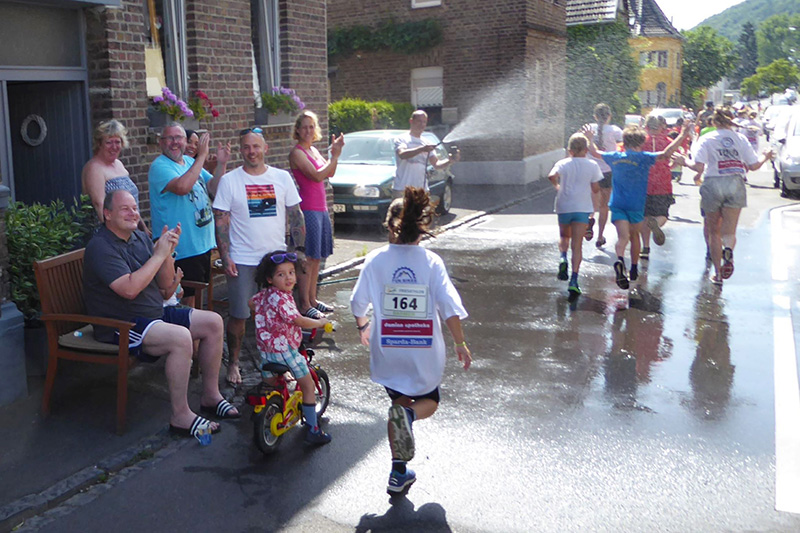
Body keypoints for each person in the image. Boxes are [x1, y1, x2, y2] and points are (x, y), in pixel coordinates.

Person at [83, 190, 239, 438]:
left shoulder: (139, 238)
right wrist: (157, 255)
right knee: (180, 338)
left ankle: (211, 395)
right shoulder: (101, 247)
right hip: (121, 324)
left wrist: (166, 253)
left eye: (134, 208)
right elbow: (130, 289)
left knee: (213, 322)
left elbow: (166, 287)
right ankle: (180, 415)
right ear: (107, 214)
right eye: (125, 209)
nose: (133, 213)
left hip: (154, 312)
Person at [350, 187, 472, 495]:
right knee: (428, 400)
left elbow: (356, 302)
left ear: (389, 225)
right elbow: (448, 306)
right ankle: (409, 417)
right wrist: (460, 343)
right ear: (423, 226)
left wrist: (364, 326)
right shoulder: (431, 262)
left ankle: (398, 472)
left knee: (398, 402)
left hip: (388, 348)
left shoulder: (375, 260)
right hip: (423, 351)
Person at [213, 127, 306, 386]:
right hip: (242, 259)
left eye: (256, 146)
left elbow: (295, 214)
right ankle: (233, 363)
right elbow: (220, 220)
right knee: (240, 315)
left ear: (265, 148)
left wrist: (298, 251)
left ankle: (282, 363)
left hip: (275, 260)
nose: (252, 151)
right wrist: (226, 254)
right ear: (241, 150)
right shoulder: (230, 181)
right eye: (246, 147)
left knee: (280, 317)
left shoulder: (281, 177)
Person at [582, 121, 692, 290]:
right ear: (641, 143)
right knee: (634, 238)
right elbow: (666, 153)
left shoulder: (615, 157)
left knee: (622, 238)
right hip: (636, 206)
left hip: (618, 204)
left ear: (623, 143)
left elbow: (595, 152)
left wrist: (589, 138)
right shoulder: (644, 158)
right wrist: (683, 135)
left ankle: (619, 261)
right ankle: (633, 268)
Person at [672, 106, 775, 286]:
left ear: (713, 122)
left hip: (713, 183)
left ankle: (718, 274)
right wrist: (765, 157)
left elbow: (698, 167)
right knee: (730, 231)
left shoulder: (707, 138)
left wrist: (683, 161)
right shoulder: (741, 138)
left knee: (714, 232)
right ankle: (728, 250)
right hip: (735, 183)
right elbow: (752, 166)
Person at [250, 250, 331, 444]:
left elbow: (250, 303)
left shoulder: (265, 294)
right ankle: (313, 430)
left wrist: (265, 317)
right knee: (308, 385)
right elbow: (298, 321)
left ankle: (267, 412)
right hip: (284, 351)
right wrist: (320, 323)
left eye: (291, 272)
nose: (288, 278)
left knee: (270, 386)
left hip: (265, 350)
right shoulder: (283, 298)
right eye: (281, 274)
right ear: (270, 278)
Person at [148, 123, 231, 309]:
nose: (175, 142)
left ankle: (197, 336)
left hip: (201, 244)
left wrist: (221, 164)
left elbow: (214, 189)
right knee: (184, 300)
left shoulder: (189, 162)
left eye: (179, 138)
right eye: (169, 138)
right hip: (181, 247)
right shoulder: (159, 166)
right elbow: (182, 187)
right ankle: (189, 336)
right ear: (161, 143)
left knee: (195, 298)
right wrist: (202, 156)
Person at [289, 110, 344, 318]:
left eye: (311, 126)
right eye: (304, 127)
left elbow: (330, 172)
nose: (308, 130)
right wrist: (335, 157)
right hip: (309, 209)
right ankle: (303, 303)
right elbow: (317, 175)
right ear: (298, 130)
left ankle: (312, 299)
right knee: (308, 258)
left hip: (321, 209)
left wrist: (334, 156)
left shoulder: (313, 150)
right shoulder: (297, 153)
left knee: (318, 257)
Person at [547, 132, 603, 295]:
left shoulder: (563, 163)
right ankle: (574, 280)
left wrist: (558, 187)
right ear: (586, 149)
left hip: (564, 205)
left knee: (564, 237)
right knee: (577, 245)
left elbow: (551, 176)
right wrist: (595, 201)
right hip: (582, 208)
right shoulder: (592, 165)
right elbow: (595, 188)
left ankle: (563, 258)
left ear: (570, 150)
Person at [81, 119, 148, 234]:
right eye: (109, 142)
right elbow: (100, 206)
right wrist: (116, 237)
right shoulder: (94, 168)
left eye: (117, 142)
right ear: (99, 144)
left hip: (129, 233)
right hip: (109, 236)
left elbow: (132, 204)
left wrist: (143, 230)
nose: (114, 147)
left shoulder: (119, 164)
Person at [393, 110, 458, 198]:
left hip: (422, 189)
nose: (422, 124)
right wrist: (422, 149)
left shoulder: (426, 142)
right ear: (411, 121)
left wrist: (450, 160)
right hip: (403, 189)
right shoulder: (401, 139)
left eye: (424, 122)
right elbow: (402, 154)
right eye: (419, 121)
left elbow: (436, 165)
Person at [587, 103, 623, 248]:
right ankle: (600, 236)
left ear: (595, 116)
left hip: (590, 170)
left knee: (591, 203)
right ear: (609, 116)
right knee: (603, 206)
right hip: (608, 171)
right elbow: (622, 146)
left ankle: (589, 219)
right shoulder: (615, 130)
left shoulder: (588, 128)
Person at [639, 114, 675, 261]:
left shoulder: (641, 142)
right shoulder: (668, 142)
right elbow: (675, 159)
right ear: (662, 127)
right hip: (663, 184)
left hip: (644, 184)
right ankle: (658, 224)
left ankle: (645, 247)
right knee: (663, 214)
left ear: (646, 127)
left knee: (645, 216)